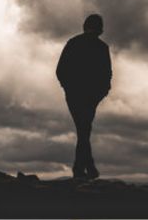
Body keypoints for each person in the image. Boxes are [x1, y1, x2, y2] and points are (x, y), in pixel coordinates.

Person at [56, 14, 112, 179]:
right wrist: (101, 92)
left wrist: (68, 88)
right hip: (88, 96)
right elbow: (107, 74)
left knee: (83, 129)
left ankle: (83, 168)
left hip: (77, 95)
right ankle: (85, 168)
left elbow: (60, 70)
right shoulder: (102, 47)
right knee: (84, 129)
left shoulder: (74, 43)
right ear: (100, 28)